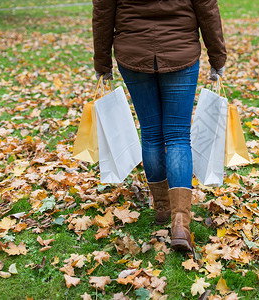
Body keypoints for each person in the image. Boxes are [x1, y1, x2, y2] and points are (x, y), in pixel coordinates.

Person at [92, 0, 226, 252]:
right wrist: (217, 56)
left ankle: (163, 210)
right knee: (177, 136)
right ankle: (180, 222)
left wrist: (102, 63)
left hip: (133, 52)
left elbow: (102, 11)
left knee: (152, 134)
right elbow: (207, 8)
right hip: (180, 51)